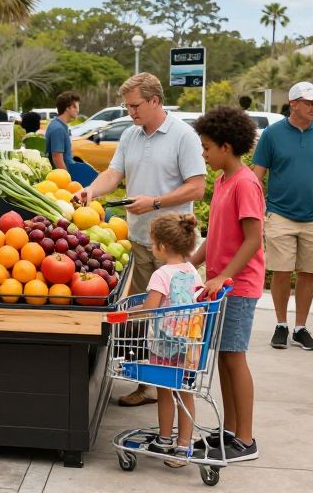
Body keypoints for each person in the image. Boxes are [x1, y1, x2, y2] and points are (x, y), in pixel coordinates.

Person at [77, 73, 206, 406]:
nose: (131, 112)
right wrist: (91, 190)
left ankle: (173, 383)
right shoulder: (131, 136)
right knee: (138, 315)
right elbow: (113, 174)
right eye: (127, 106)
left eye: (135, 106)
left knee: (171, 319)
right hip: (137, 240)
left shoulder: (183, 136)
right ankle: (144, 383)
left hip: (172, 246)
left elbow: (197, 187)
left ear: (155, 101)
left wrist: (156, 202)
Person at [191, 107, 265, 462]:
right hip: (219, 286)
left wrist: (225, 276)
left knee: (235, 357)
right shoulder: (222, 181)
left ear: (225, 146)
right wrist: (191, 264)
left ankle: (246, 440)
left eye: (206, 147)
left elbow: (253, 238)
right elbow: (216, 234)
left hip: (239, 286)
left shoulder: (246, 183)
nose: (203, 154)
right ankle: (232, 431)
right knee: (224, 357)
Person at [252, 82, 313, 352]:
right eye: (309, 103)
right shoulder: (272, 135)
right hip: (280, 214)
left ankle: (300, 328)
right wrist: (255, 210)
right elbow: (257, 176)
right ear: (293, 104)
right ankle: (281, 324)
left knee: (309, 273)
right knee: (281, 271)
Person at [139, 213, 202, 467]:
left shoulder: (161, 275)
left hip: (164, 346)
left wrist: (124, 314)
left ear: (163, 247)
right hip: (188, 346)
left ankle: (165, 439)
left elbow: (150, 309)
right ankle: (183, 446)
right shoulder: (192, 273)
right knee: (185, 394)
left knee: (165, 392)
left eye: (153, 243)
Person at [45, 91, 80, 171]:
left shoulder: (60, 125)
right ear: (68, 108)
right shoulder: (58, 129)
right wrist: (67, 178)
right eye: (75, 107)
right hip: (62, 177)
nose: (78, 110)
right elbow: (57, 158)